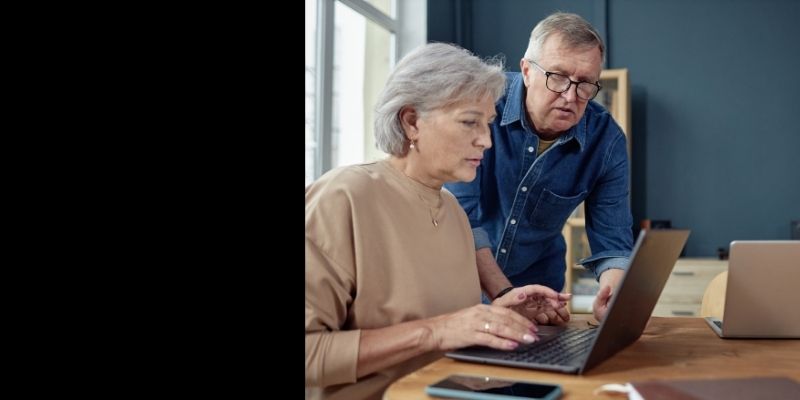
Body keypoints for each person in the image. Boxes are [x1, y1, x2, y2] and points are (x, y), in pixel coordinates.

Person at [305, 43, 571, 400]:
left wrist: (495, 317)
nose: (486, 141)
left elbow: (445, 339)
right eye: (469, 122)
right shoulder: (343, 197)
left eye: (488, 124)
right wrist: (436, 331)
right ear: (412, 122)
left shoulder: (453, 212)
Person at [444, 12, 633, 324]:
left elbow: (613, 242)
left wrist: (614, 295)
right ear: (527, 70)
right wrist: (505, 295)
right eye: (557, 77)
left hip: (537, 297)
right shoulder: (481, 106)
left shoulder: (606, 141)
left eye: (585, 84)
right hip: (458, 289)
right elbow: (462, 219)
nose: (570, 96)